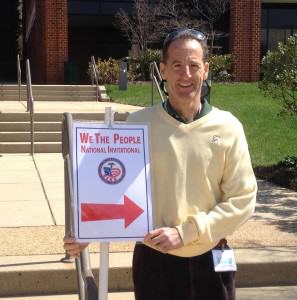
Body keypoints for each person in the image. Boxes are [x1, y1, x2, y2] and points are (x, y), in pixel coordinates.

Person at [64, 28, 257, 300]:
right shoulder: (138, 125)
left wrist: (186, 232)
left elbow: (243, 199)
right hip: (154, 260)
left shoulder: (228, 127)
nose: (185, 74)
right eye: (177, 65)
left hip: (212, 256)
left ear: (206, 70)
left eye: (193, 65)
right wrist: (91, 229)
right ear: (163, 70)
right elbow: (112, 186)